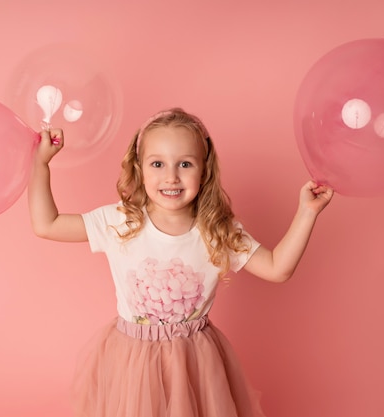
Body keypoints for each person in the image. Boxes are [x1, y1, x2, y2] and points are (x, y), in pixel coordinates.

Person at [28, 108, 334, 417]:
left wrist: (307, 212)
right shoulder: (121, 220)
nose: (171, 176)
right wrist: (41, 163)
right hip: (132, 360)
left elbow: (277, 268)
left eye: (185, 164)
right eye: (157, 163)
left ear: (204, 171)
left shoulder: (217, 230)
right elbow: (47, 224)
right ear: (140, 169)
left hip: (194, 362)